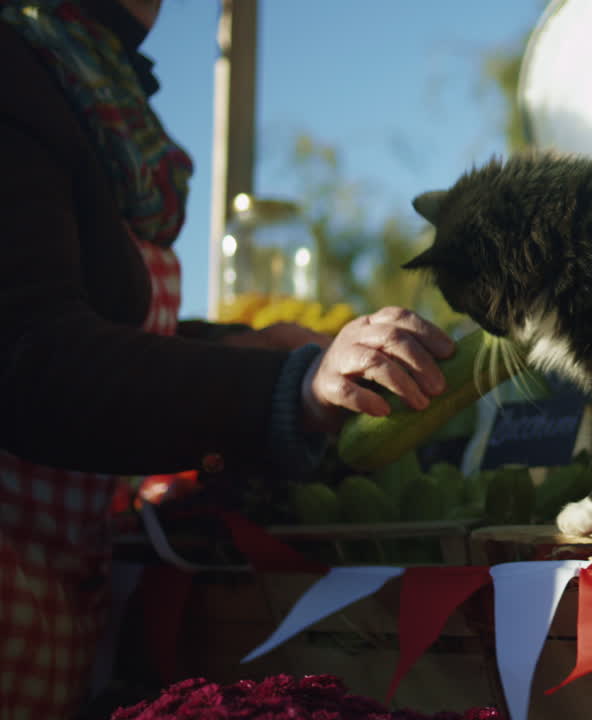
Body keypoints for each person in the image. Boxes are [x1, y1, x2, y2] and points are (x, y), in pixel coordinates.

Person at [0, 0, 455, 716]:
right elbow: (30, 357)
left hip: (57, 586)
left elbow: (77, 310)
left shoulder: (83, 74)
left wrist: (233, 347)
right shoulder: (13, 68)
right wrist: (290, 385)